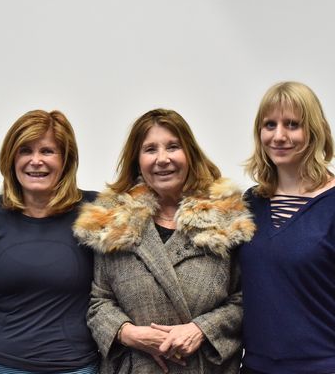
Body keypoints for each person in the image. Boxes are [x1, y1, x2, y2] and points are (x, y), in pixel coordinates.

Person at [73, 109, 255, 374]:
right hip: (135, 366)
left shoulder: (226, 217)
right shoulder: (113, 222)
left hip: (205, 366)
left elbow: (246, 298)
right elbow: (99, 300)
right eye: (150, 149)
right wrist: (127, 333)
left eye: (173, 147)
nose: (162, 159)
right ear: (137, 160)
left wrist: (201, 330)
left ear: (189, 154)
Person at [0, 110, 99, 374]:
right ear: (12, 158)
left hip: (77, 368)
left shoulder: (95, 210)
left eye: (47, 151)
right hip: (1, 366)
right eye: (25, 151)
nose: (36, 161)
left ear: (66, 160)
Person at [238, 81, 335, 374]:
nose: (279, 136)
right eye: (270, 124)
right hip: (254, 366)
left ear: (314, 132)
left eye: (292, 124)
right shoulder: (251, 202)